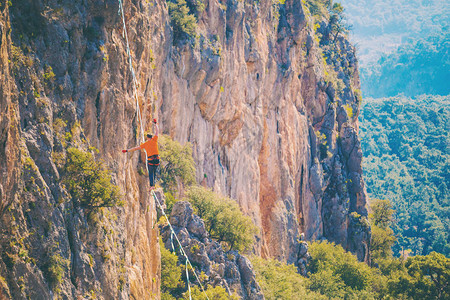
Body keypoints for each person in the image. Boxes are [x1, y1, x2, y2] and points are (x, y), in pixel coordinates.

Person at [122, 119, 159, 191]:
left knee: (151, 173)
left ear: (147, 138)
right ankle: (153, 185)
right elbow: (157, 132)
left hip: (150, 160)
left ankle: (152, 186)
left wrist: (127, 150)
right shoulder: (154, 140)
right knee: (155, 172)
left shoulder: (145, 144)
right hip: (157, 159)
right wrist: (155, 124)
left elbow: (136, 148)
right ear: (151, 137)